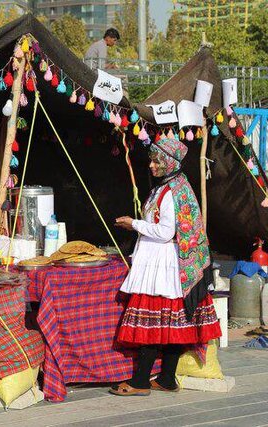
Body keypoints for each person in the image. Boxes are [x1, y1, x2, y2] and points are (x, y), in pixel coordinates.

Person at [111, 137, 221, 396]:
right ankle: (167, 378)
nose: (150, 165)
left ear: (168, 162)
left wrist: (134, 224)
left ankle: (139, 382)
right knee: (171, 324)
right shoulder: (171, 185)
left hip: (165, 265)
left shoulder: (174, 191)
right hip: (164, 261)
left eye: (155, 161)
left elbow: (164, 231)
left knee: (155, 322)